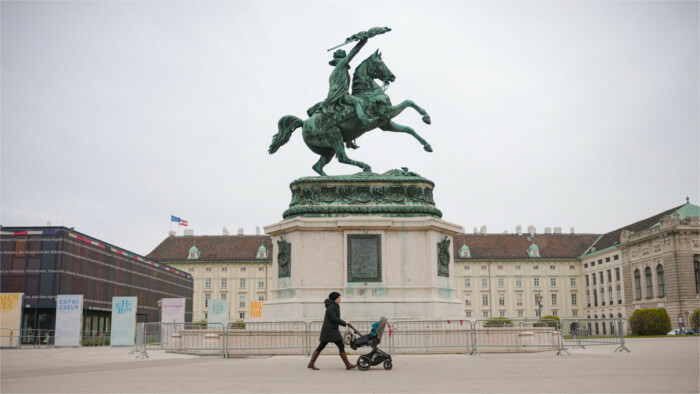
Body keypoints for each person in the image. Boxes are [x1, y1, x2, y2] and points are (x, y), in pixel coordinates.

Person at [307, 291, 356, 370]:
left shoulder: (333, 306)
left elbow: (335, 318)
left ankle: (311, 363)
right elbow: (334, 318)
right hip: (330, 330)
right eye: (339, 297)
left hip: (330, 330)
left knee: (322, 346)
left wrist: (344, 322)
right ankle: (348, 365)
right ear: (335, 298)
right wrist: (344, 323)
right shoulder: (331, 307)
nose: (340, 299)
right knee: (338, 345)